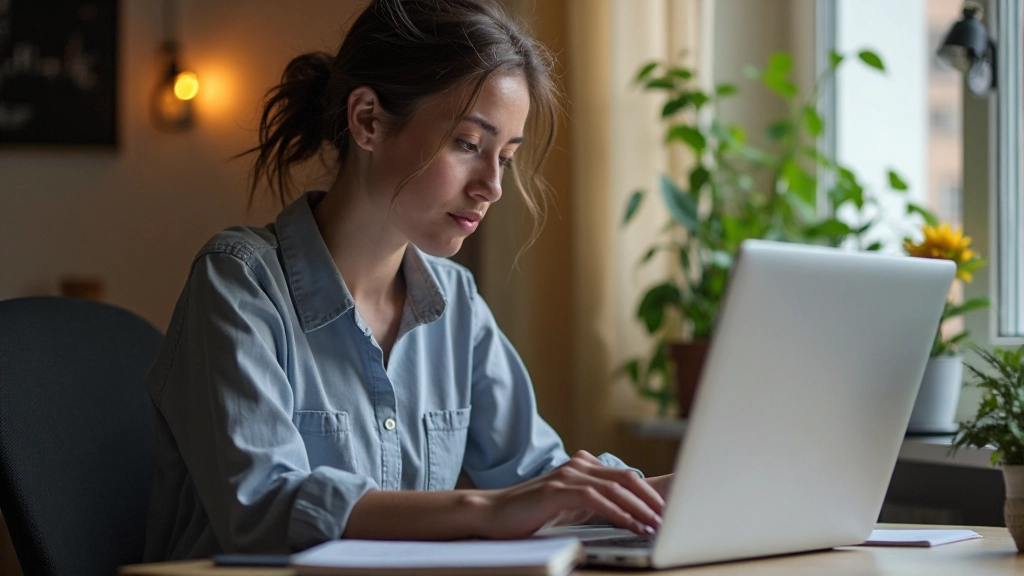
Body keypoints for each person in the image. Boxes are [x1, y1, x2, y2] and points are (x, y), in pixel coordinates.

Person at [143, 0, 670, 561]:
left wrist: (690, 489)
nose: (492, 186)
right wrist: (486, 511)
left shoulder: (457, 303)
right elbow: (264, 507)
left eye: (506, 158)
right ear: (368, 119)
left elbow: (543, 477)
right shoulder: (239, 282)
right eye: (469, 144)